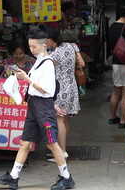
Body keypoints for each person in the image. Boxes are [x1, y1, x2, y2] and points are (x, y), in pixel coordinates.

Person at [0, 29, 75, 190]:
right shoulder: (38, 61)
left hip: (42, 107)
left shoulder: (48, 63)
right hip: (34, 105)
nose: (31, 50)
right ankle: (13, 177)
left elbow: (47, 89)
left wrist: (27, 78)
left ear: (43, 45)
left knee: (52, 143)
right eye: (30, 46)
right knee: (24, 142)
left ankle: (66, 177)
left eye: (34, 47)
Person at [46, 27, 85, 162]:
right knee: (65, 119)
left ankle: (61, 152)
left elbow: (45, 66)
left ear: (52, 40)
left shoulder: (55, 54)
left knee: (59, 119)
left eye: (47, 40)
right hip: (71, 86)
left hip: (60, 88)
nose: (46, 43)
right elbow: (82, 63)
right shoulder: (71, 46)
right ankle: (61, 149)